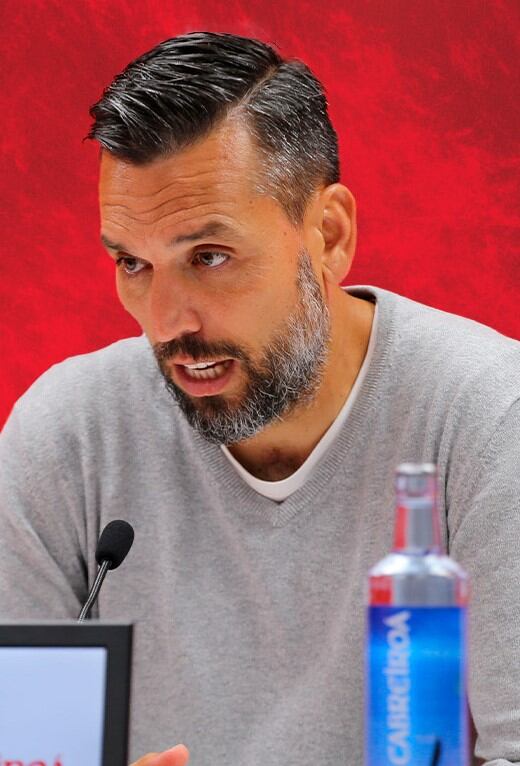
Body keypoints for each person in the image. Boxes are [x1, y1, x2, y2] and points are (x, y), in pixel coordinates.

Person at [0, 31, 519, 766]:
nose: (167, 320)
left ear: (330, 235)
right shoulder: (68, 437)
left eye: (209, 257)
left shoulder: (490, 416)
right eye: (133, 263)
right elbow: (20, 748)